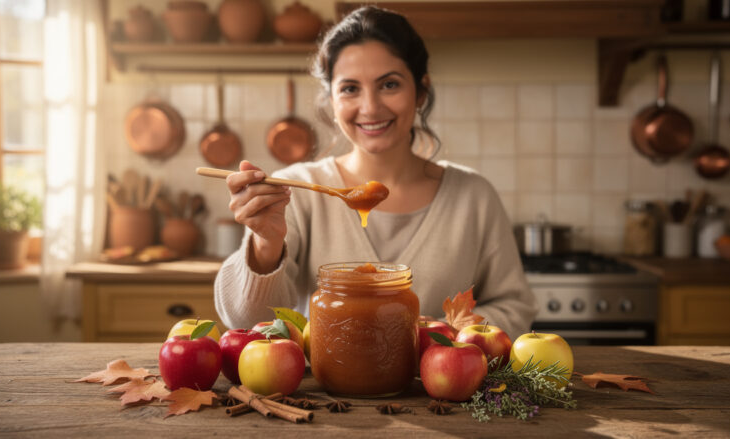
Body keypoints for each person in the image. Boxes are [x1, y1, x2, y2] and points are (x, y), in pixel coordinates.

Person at [214, 6, 537, 340]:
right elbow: (247, 320)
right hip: (322, 393)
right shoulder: (298, 191)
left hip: (442, 392)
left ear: (421, 92)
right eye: (350, 89)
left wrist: (444, 337)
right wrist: (267, 244)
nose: (370, 108)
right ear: (331, 101)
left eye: (389, 85)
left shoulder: (474, 196)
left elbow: (514, 307)